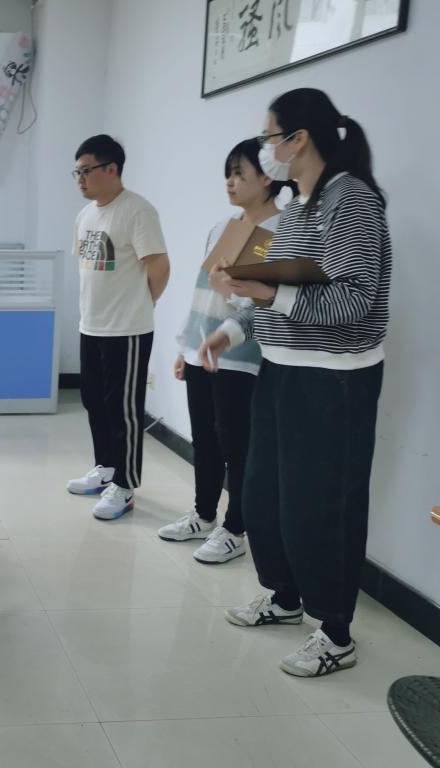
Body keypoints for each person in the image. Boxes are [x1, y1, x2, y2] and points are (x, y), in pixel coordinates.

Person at [199, 88, 390, 677]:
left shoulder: (352, 201)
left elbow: (354, 301)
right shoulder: (302, 205)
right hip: (281, 370)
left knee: (322, 506)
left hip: (335, 380)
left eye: (267, 137)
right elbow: (278, 293)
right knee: (266, 495)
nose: (265, 149)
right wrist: (230, 330)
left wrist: (266, 292)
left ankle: (336, 632)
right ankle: (284, 598)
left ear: (297, 139)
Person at [158, 139, 292, 564]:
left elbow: (261, 303)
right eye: (228, 174)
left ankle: (236, 529)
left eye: (239, 174)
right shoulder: (224, 226)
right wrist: (186, 345)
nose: (230, 182)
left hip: (242, 355)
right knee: (205, 439)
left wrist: (227, 290)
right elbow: (202, 291)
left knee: (238, 445)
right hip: (202, 348)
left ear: (267, 178)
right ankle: (203, 515)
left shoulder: (281, 231)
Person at [65, 135, 170, 520]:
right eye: (76, 172)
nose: (80, 179)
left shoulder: (137, 211)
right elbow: (91, 271)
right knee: (94, 401)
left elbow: (159, 267)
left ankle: (125, 486)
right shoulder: (85, 215)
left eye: (86, 171)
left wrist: (143, 305)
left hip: (127, 329)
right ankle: (106, 469)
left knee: (124, 410)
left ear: (112, 169)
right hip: (91, 325)